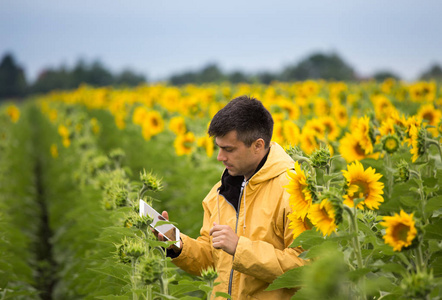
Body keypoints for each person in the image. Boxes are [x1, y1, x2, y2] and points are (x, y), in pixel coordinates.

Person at [158, 95, 306, 299]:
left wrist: (240, 248)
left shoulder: (293, 190)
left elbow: (305, 267)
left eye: (229, 149)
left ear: (257, 145)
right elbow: (212, 259)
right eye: (219, 148)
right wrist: (177, 244)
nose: (220, 157)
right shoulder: (218, 193)